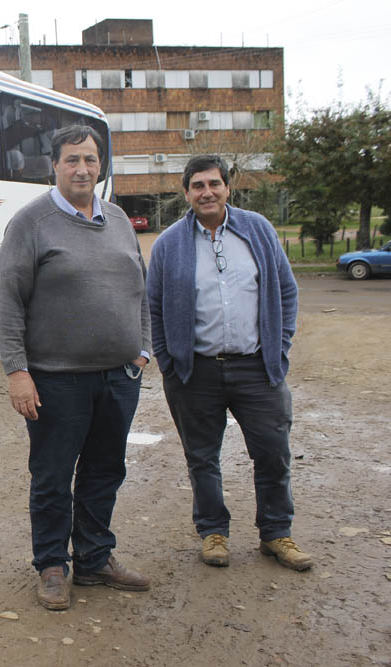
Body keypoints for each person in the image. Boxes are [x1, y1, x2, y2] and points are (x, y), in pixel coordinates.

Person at [0, 124, 152, 611]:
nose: (82, 168)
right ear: (54, 165)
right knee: (53, 475)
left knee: (105, 471)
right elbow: (6, 301)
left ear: (101, 165)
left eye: (90, 159)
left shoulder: (120, 219)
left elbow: (139, 291)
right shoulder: (31, 222)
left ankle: (95, 558)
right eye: (71, 160)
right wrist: (17, 371)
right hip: (56, 381)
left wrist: (142, 349)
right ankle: (52, 566)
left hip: (119, 378)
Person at [147, 154, 312, 571]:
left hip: (258, 368)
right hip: (194, 372)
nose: (207, 192)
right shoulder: (169, 244)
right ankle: (213, 532)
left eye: (214, 184)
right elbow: (153, 307)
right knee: (202, 457)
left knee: (273, 452)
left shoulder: (258, 230)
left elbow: (287, 293)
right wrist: (169, 361)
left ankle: (276, 533)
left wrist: (280, 348)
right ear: (186, 193)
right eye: (198, 185)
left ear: (227, 187)